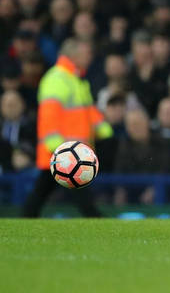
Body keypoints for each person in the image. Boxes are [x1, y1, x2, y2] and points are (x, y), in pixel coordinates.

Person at [22, 38, 113, 217]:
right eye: (86, 53)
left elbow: (88, 113)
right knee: (78, 193)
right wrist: (60, 150)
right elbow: (49, 118)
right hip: (65, 152)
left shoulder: (73, 79)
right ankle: (96, 219)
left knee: (40, 194)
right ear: (74, 55)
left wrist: (106, 132)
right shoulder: (58, 78)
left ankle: (24, 220)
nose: (90, 56)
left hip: (68, 151)